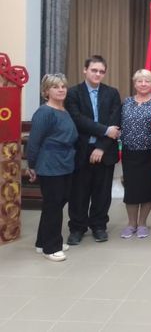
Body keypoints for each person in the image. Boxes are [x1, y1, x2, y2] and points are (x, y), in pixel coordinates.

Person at [65, 55, 121, 245]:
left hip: (105, 150)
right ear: (85, 70)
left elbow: (115, 122)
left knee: (102, 192)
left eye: (101, 71)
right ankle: (77, 228)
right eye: (94, 70)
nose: (97, 74)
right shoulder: (73, 93)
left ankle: (99, 226)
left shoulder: (112, 93)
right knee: (79, 192)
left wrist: (101, 147)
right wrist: (104, 130)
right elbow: (77, 119)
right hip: (81, 149)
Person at [27, 74, 78, 261]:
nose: (61, 90)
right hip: (50, 164)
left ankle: (42, 242)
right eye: (56, 87)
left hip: (65, 162)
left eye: (63, 86)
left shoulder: (63, 110)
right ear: (46, 91)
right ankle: (51, 247)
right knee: (54, 206)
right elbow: (34, 141)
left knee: (55, 203)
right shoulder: (44, 112)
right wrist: (32, 165)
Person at [119, 69, 151, 239]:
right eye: (140, 81)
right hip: (129, 153)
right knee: (131, 190)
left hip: (150, 154)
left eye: (147, 81)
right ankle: (131, 224)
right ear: (134, 83)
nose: (143, 84)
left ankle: (143, 223)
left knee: (147, 190)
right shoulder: (126, 102)